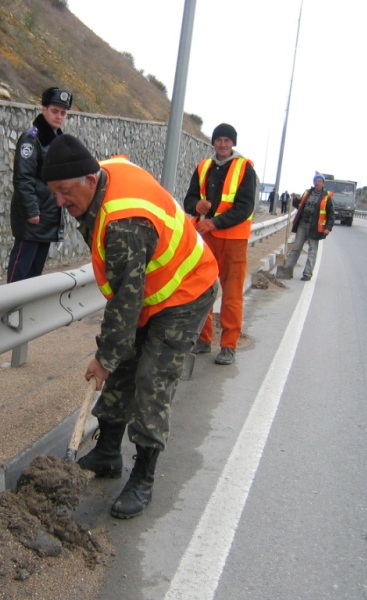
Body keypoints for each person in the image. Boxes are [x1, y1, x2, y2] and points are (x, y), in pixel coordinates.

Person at [41, 134, 218, 519]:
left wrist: (103, 357)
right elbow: (128, 297)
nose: (59, 201)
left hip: (187, 290)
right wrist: (113, 357)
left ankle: (143, 475)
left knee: (152, 378)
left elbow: (125, 300)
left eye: (64, 191)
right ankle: (107, 454)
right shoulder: (104, 175)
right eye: (53, 192)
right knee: (122, 366)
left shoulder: (124, 222)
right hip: (152, 288)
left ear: (89, 179)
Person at [183, 123, 256, 366]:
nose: (222, 144)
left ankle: (228, 345)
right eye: (219, 140)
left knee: (232, 295)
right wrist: (197, 206)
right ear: (213, 142)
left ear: (233, 143)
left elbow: (245, 208)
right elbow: (189, 200)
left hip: (233, 241)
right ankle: (203, 340)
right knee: (201, 289)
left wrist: (214, 223)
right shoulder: (203, 167)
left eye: (227, 140)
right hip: (206, 239)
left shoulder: (245, 168)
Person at [6, 87, 73, 283]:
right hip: (33, 217)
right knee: (20, 269)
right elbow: (23, 177)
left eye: (63, 113)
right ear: (43, 109)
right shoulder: (32, 139)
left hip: (49, 214)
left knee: (35, 272)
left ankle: (27, 310)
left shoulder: (58, 140)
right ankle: (10, 308)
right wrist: (32, 211)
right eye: (55, 111)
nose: (59, 116)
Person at [282, 172, 334, 281]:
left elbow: (331, 214)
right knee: (296, 248)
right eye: (315, 181)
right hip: (302, 225)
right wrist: (295, 199)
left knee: (312, 251)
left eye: (319, 181)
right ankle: (287, 271)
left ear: (323, 183)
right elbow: (299, 206)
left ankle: (307, 274)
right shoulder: (307, 193)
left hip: (315, 228)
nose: (317, 182)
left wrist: (328, 228)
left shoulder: (326, 197)